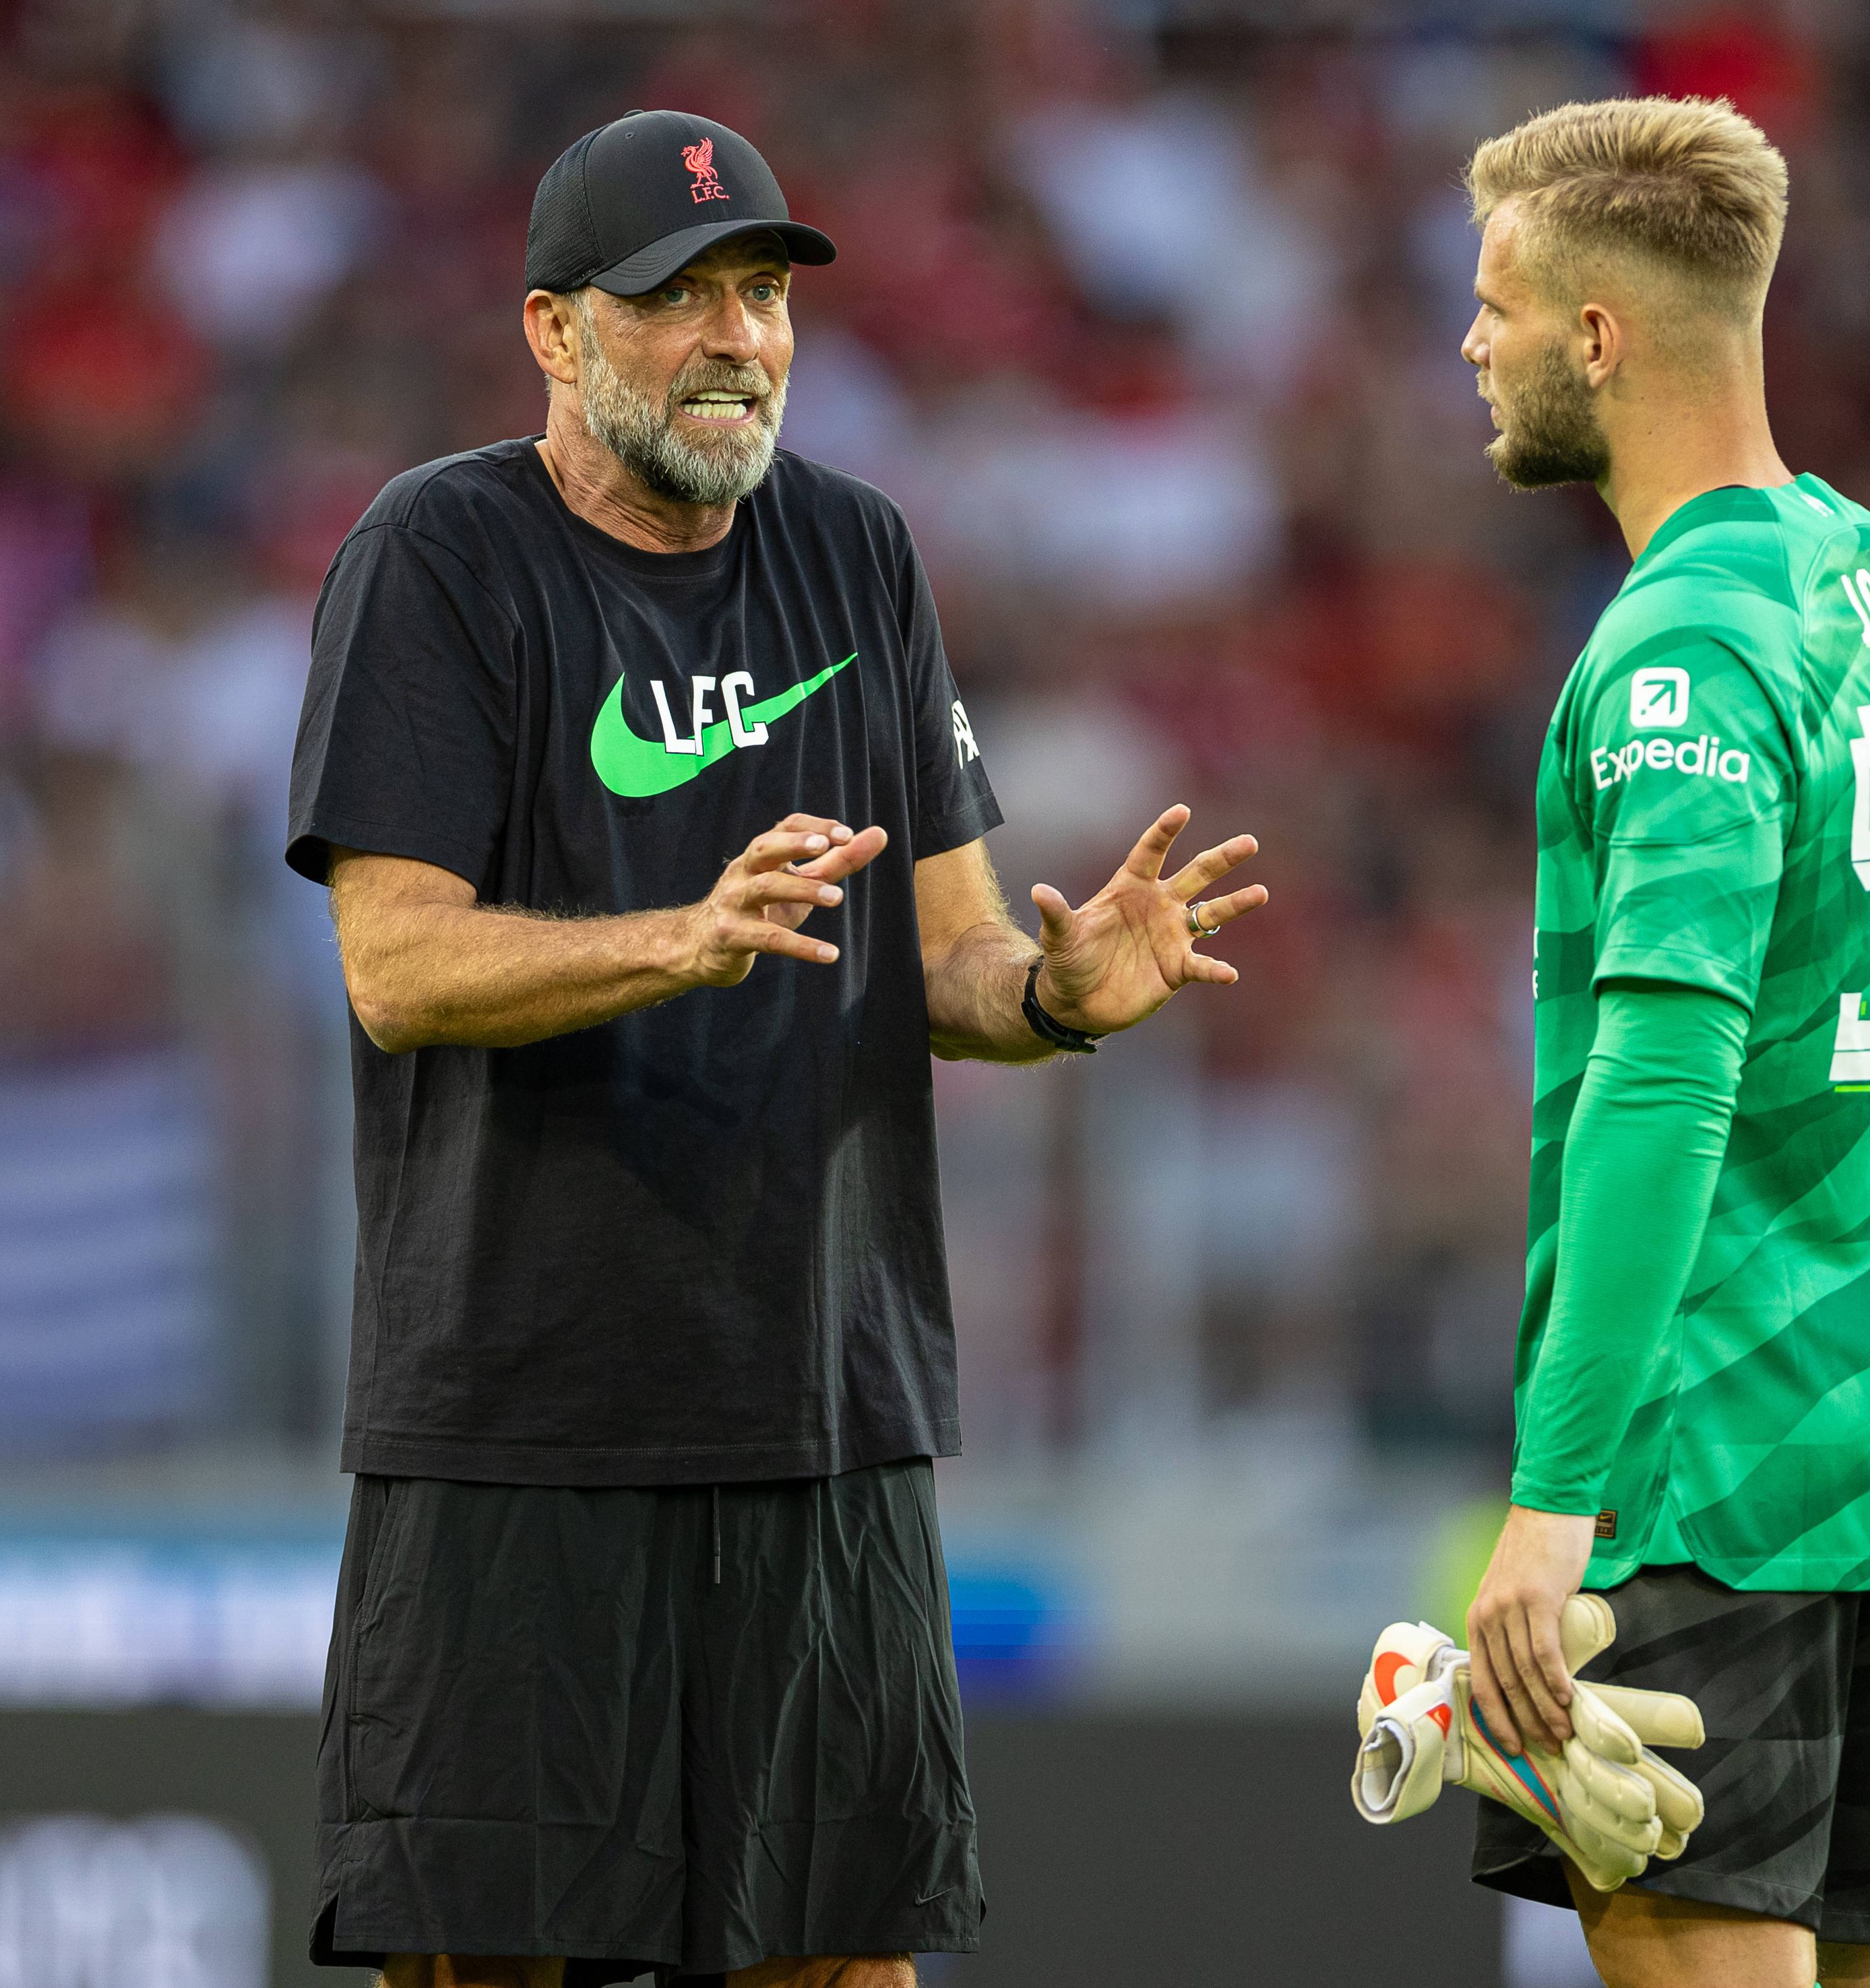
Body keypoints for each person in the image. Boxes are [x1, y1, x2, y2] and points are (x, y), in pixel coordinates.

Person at [284, 110, 1266, 1988]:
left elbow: (951, 953)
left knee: (843, 1964)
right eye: (681, 299)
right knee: (483, 1964)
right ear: (556, 331)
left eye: (763, 295)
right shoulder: (440, 554)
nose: (740, 339)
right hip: (518, 1424)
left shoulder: (857, 553)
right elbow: (394, 966)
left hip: (825, 1412)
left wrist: (1055, 997)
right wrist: (686, 936)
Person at [1452, 97, 1870, 1988]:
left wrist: (1559, 1502)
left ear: (1599, 335)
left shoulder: (1681, 647)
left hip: (1716, 1481)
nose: (1473, 342)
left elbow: (1667, 1080)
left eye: (1499, 306)